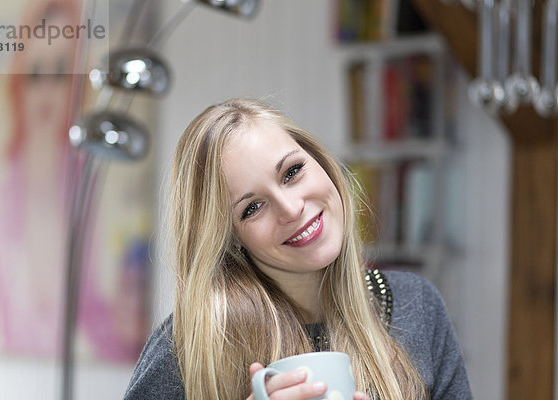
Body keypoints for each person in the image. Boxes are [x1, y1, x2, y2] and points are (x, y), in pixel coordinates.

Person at [123, 98, 472, 400]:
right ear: (230, 243)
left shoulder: (417, 307)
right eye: (252, 208)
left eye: (292, 172)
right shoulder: (191, 346)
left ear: (321, 162)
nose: (291, 209)